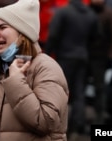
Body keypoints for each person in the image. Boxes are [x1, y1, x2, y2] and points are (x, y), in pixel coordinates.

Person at [0, 0, 69, 140]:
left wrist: (15, 82)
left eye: (2, 27)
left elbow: (45, 122)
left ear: (22, 32)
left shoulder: (46, 67)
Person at [44, 0, 98, 138]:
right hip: (82, 57)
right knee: (79, 93)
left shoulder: (63, 12)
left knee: (60, 92)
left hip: (65, 57)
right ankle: (75, 128)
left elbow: (54, 34)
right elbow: (96, 37)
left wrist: (46, 55)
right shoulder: (91, 15)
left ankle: (58, 126)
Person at [88, 0, 112, 124]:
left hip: (100, 58)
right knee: (79, 88)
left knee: (99, 89)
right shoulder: (88, 11)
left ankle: (99, 119)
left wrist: (111, 57)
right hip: (85, 56)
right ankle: (78, 120)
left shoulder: (110, 14)